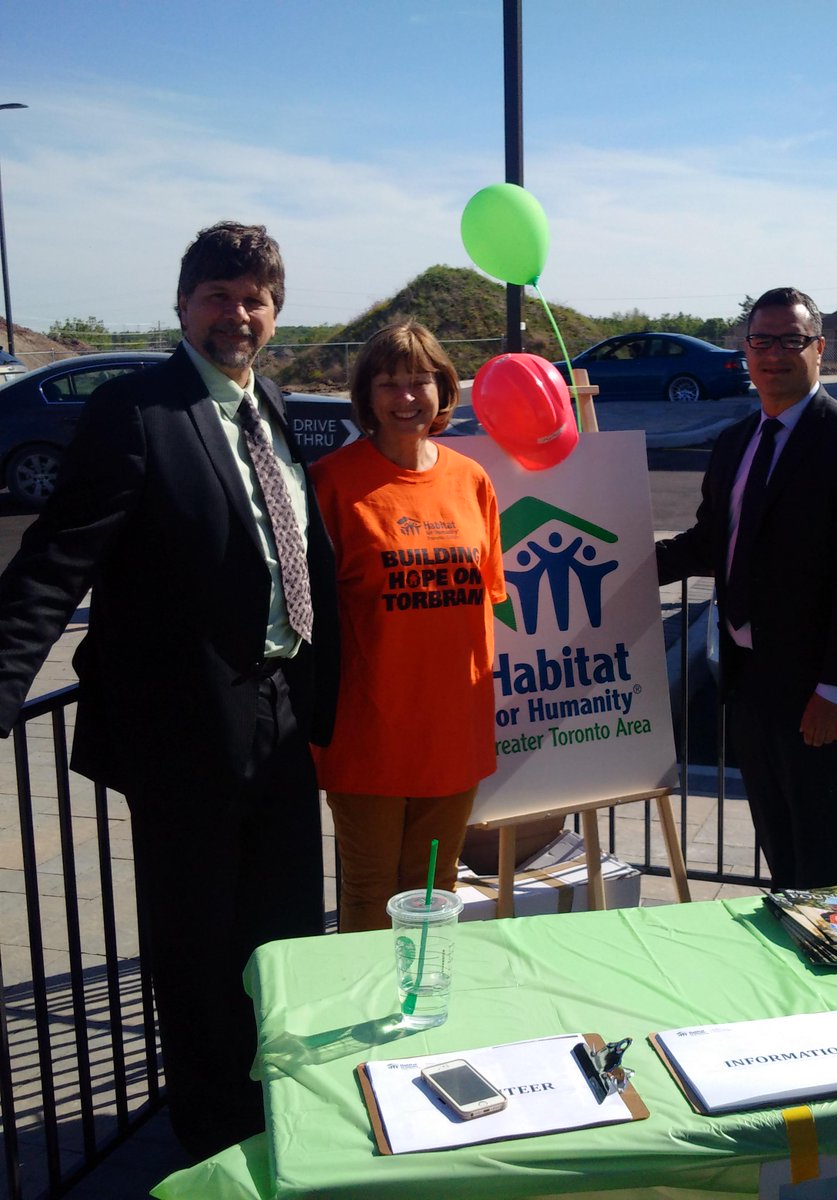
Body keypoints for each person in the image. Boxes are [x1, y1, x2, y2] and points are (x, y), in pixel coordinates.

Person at [0, 222, 340, 1160]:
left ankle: (277, 1109)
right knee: (197, 947)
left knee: (278, 931)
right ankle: (216, 1140)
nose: (239, 313)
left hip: (277, 715)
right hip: (188, 727)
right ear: (183, 304)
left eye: (255, 297)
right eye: (219, 296)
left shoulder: (263, 399)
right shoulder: (137, 410)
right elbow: (56, 559)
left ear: (275, 310)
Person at [657, 287, 837, 890]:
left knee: (822, 858)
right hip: (749, 678)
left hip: (816, 692)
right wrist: (620, 567)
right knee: (777, 846)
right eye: (760, 341)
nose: (774, 354)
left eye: (790, 341)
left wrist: (835, 691)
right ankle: (793, 967)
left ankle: (829, 969)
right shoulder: (738, 441)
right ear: (746, 352)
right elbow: (710, 540)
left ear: (818, 349)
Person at [311, 322, 506, 933]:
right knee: (370, 893)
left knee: (433, 888)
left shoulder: (471, 480)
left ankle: (425, 1016)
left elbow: (486, 595)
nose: (405, 398)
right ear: (366, 397)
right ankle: (365, 1015)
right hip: (367, 732)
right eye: (389, 383)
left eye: (419, 381)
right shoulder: (331, 483)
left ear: (442, 389)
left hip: (453, 730)